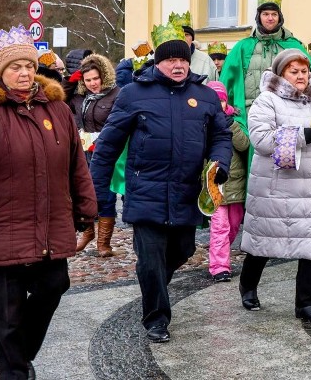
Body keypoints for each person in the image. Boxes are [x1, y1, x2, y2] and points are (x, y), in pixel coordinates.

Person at [0, 26, 97, 379]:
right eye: (14, 68)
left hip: (50, 224)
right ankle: (15, 372)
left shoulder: (57, 110)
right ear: (0, 73)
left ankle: (19, 357)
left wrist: (86, 208)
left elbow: (75, 164)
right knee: (6, 317)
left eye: (28, 66)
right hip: (0, 226)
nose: (23, 74)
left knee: (55, 284)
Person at [90, 22, 232, 343]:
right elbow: (109, 145)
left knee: (183, 249)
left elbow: (221, 135)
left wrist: (220, 162)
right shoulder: (133, 94)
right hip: (145, 191)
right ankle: (156, 318)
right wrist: (96, 192)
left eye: (182, 59)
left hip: (186, 192)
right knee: (151, 258)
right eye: (170, 60)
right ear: (158, 62)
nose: (178, 65)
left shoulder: (205, 96)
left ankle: (153, 288)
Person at [238, 49, 311, 324]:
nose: (300, 77)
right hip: (275, 185)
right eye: (293, 72)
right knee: (264, 241)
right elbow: (261, 140)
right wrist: (301, 135)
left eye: (304, 71)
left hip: (310, 186)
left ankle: (305, 304)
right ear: (281, 73)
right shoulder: (266, 100)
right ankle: (248, 286)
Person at [220, 0, 311, 122]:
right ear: (259, 17)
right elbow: (226, 82)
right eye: (265, 14)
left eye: (274, 14)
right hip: (250, 114)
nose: (270, 18)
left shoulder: (294, 46)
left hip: (287, 114)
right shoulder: (243, 47)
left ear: (280, 17)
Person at [65, 54, 121, 257]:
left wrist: (101, 143)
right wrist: (69, 80)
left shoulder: (116, 94)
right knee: (82, 192)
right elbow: (61, 99)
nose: (92, 84)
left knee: (105, 194)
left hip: (105, 149)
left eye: (95, 79)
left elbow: (117, 123)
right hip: (82, 149)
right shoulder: (80, 96)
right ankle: (87, 232)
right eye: (87, 80)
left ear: (103, 76)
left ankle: (103, 243)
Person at [205, 81, 249, 283]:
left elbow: (244, 145)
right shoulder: (202, 124)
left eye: (220, 100)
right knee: (220, 227)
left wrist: (230, 125)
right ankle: (219, 266)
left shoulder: (235, 121)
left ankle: (221, 251)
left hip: (236, 184)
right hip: (217, 184)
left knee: (233, 225)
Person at [169, 11, 218, 83]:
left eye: (187, 34)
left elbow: (215, 89)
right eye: (177, 34)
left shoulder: (205, 61)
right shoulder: (158, 60)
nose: (182, 38)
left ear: (192, 38)